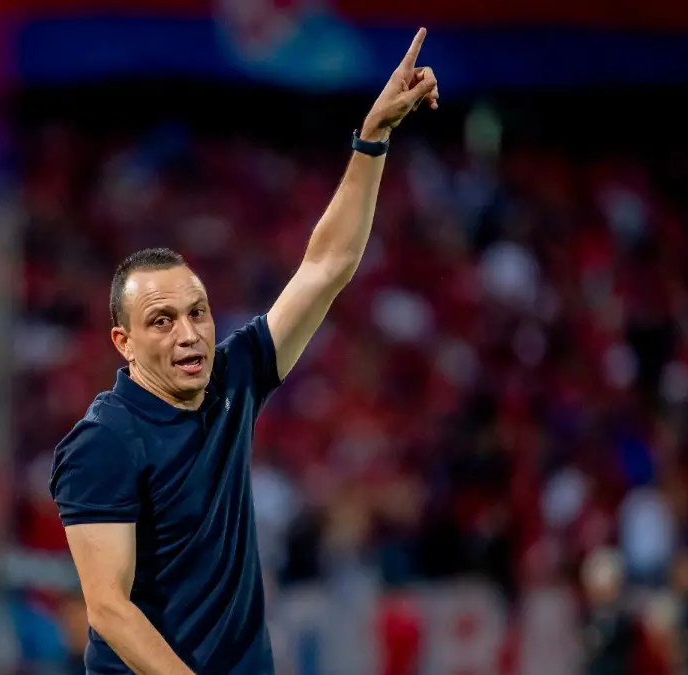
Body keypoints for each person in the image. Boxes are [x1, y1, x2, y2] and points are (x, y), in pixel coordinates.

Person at [49, 28, 439, 675]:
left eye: (197, 312)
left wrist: (372, 138)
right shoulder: (104, 441)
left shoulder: (232, 379)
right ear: (124, 342)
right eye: (162, 320)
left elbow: (326, 265)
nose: (189, 333)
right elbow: (109, 609)